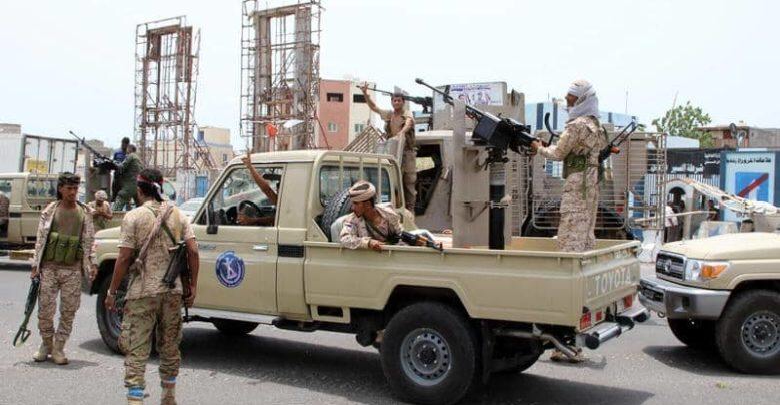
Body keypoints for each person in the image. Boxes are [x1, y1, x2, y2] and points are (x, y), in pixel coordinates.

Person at [105, 168, 199, 405]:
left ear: (139, 190)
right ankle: (168, 396)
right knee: (170, 346)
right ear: (161, 186)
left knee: (137, 348)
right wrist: (193, 286)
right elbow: (193, 251)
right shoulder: (178, 214)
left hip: (142, 292)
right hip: (172, 292)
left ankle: (135, 399)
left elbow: (124, 257)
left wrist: (112, 291)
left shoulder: (134, 217)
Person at [530, 79, 607, 363]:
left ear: (583, 99)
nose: (568, 104)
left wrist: (538, 147)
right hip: (591, 188)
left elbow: (557, 153)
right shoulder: (597, 126)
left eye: (572, 99)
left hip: (576, 189)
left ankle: (566, 340)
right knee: (585, 244)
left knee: (568, 252)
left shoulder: (576, 126)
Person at [30, 172, 98, 365]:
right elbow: (40, 240)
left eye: (75, 188)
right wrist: (35, 265)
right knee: (45, 311)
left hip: (73, 270)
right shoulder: (50, 211)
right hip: (50, 268)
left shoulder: (84, 213)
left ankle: (58, 347)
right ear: (60, 189)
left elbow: (90, 240)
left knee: (69, 311)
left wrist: (93, 263)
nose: (73, 192)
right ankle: (46, 344)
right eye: (69, 188)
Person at [359, 83, 417, 212]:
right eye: (394, 100)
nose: (396, 103)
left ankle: (410, 209)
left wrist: (401, 133)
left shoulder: (407, 113)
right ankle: (396, 207)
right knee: (392, 180)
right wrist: (365, 93)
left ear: (403, 102)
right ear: (392, 102)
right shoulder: (390, 115)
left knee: (409, 181)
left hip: (406, 152)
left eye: (399, 101)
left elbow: (408, 123)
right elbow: (374, 107)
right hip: (393, 151)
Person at [339, 180, 403, 251]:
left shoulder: (388, 214)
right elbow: (345, 239)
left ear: (367, 204)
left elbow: (400, 234)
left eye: (356, 204)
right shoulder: (352, 220)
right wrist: (368, 242)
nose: (352, 208)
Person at [236, 150, 278, 227]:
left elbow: (267, 189)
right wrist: (250, 168)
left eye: (279, 187)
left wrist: (253, 220)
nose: (277, 190)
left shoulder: (287, 202)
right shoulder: (281, 201)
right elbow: (267, 189)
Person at [113, 144, 144, 211]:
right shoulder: (137, 158)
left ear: (130, 149)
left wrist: (114, 164)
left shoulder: (131, 156)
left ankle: (115, 215)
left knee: (120, 198)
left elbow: (122, 167)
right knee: (139, 205)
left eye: (127, 149)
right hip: (138, 185)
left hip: (130, 185)